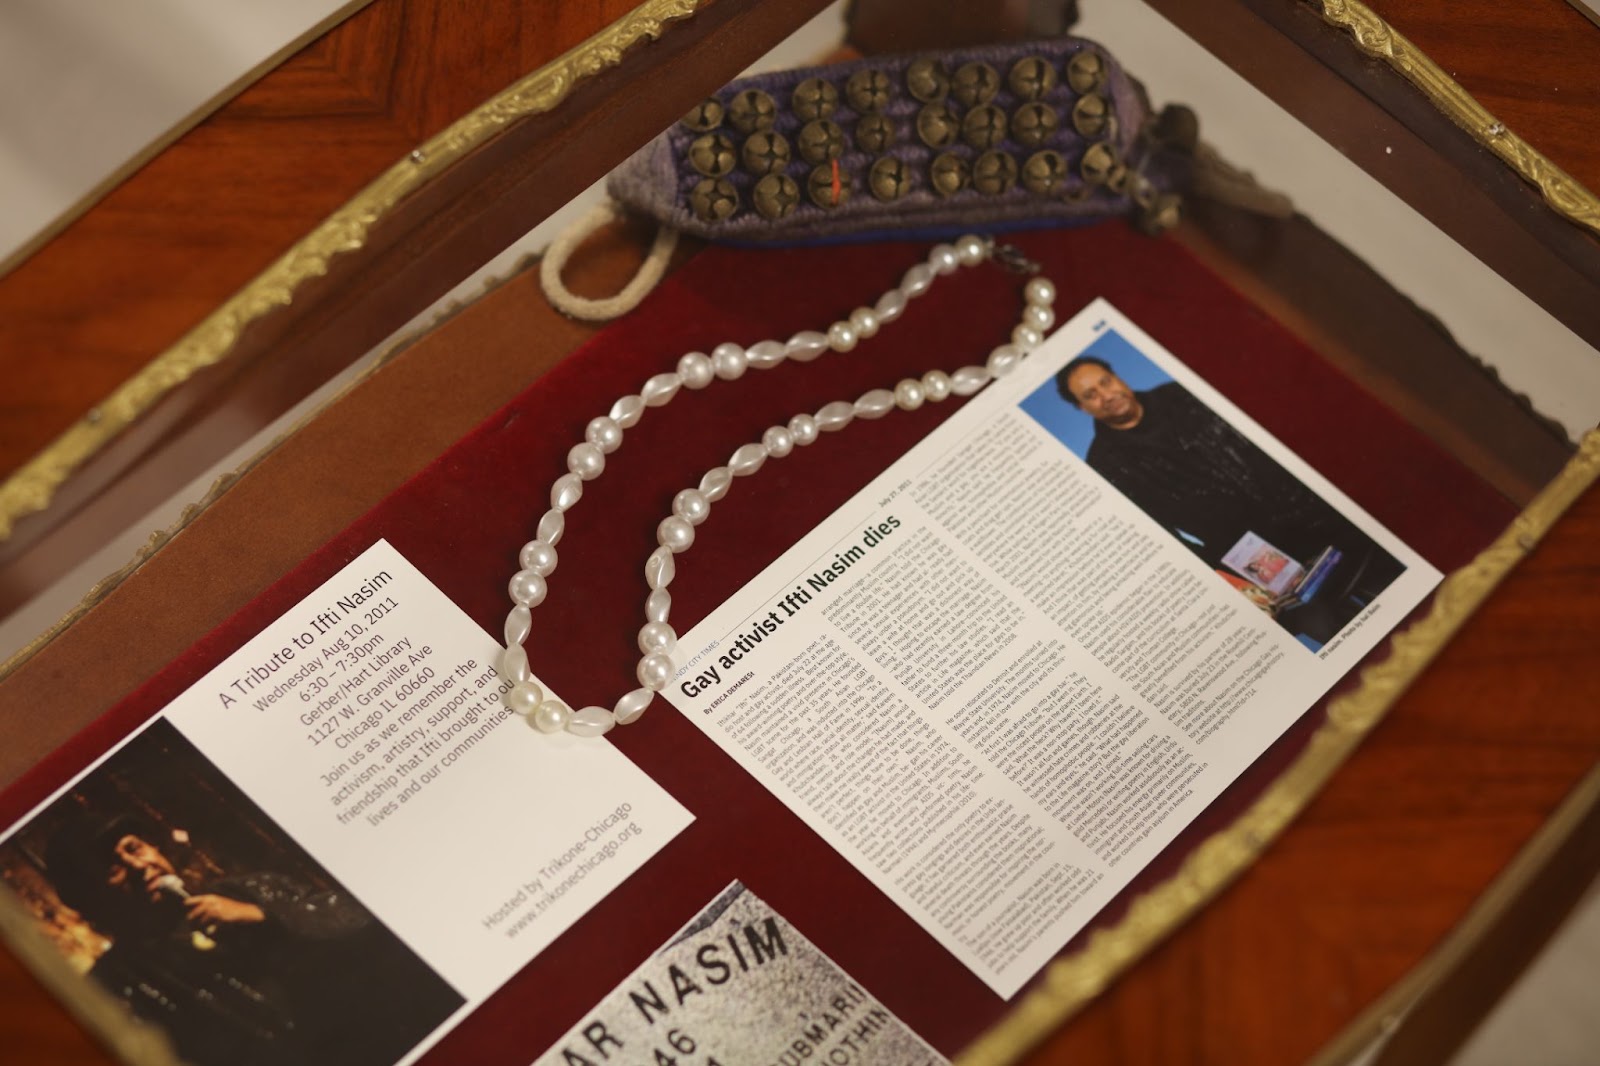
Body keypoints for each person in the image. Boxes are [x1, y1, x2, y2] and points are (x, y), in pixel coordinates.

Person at [44, 811, 457, 1065]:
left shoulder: (252, 891)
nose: (137, 864)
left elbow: (367, 928)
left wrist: (265, 916)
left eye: (134, 847)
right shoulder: (115, 981)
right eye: (112, 865)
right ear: (90, 894)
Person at [1055, 356, 1403, 643]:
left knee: (1394, 586)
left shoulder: (1182, 395)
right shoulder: (1103, 463)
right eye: (1090, 395)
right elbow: (1162, 537)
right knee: (1335, 632)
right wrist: (1229, 583)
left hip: (1309, 509)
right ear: (1081, 408)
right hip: (1254, 558)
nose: (1106, 394)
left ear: (1117, 377)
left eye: (1105, 382)